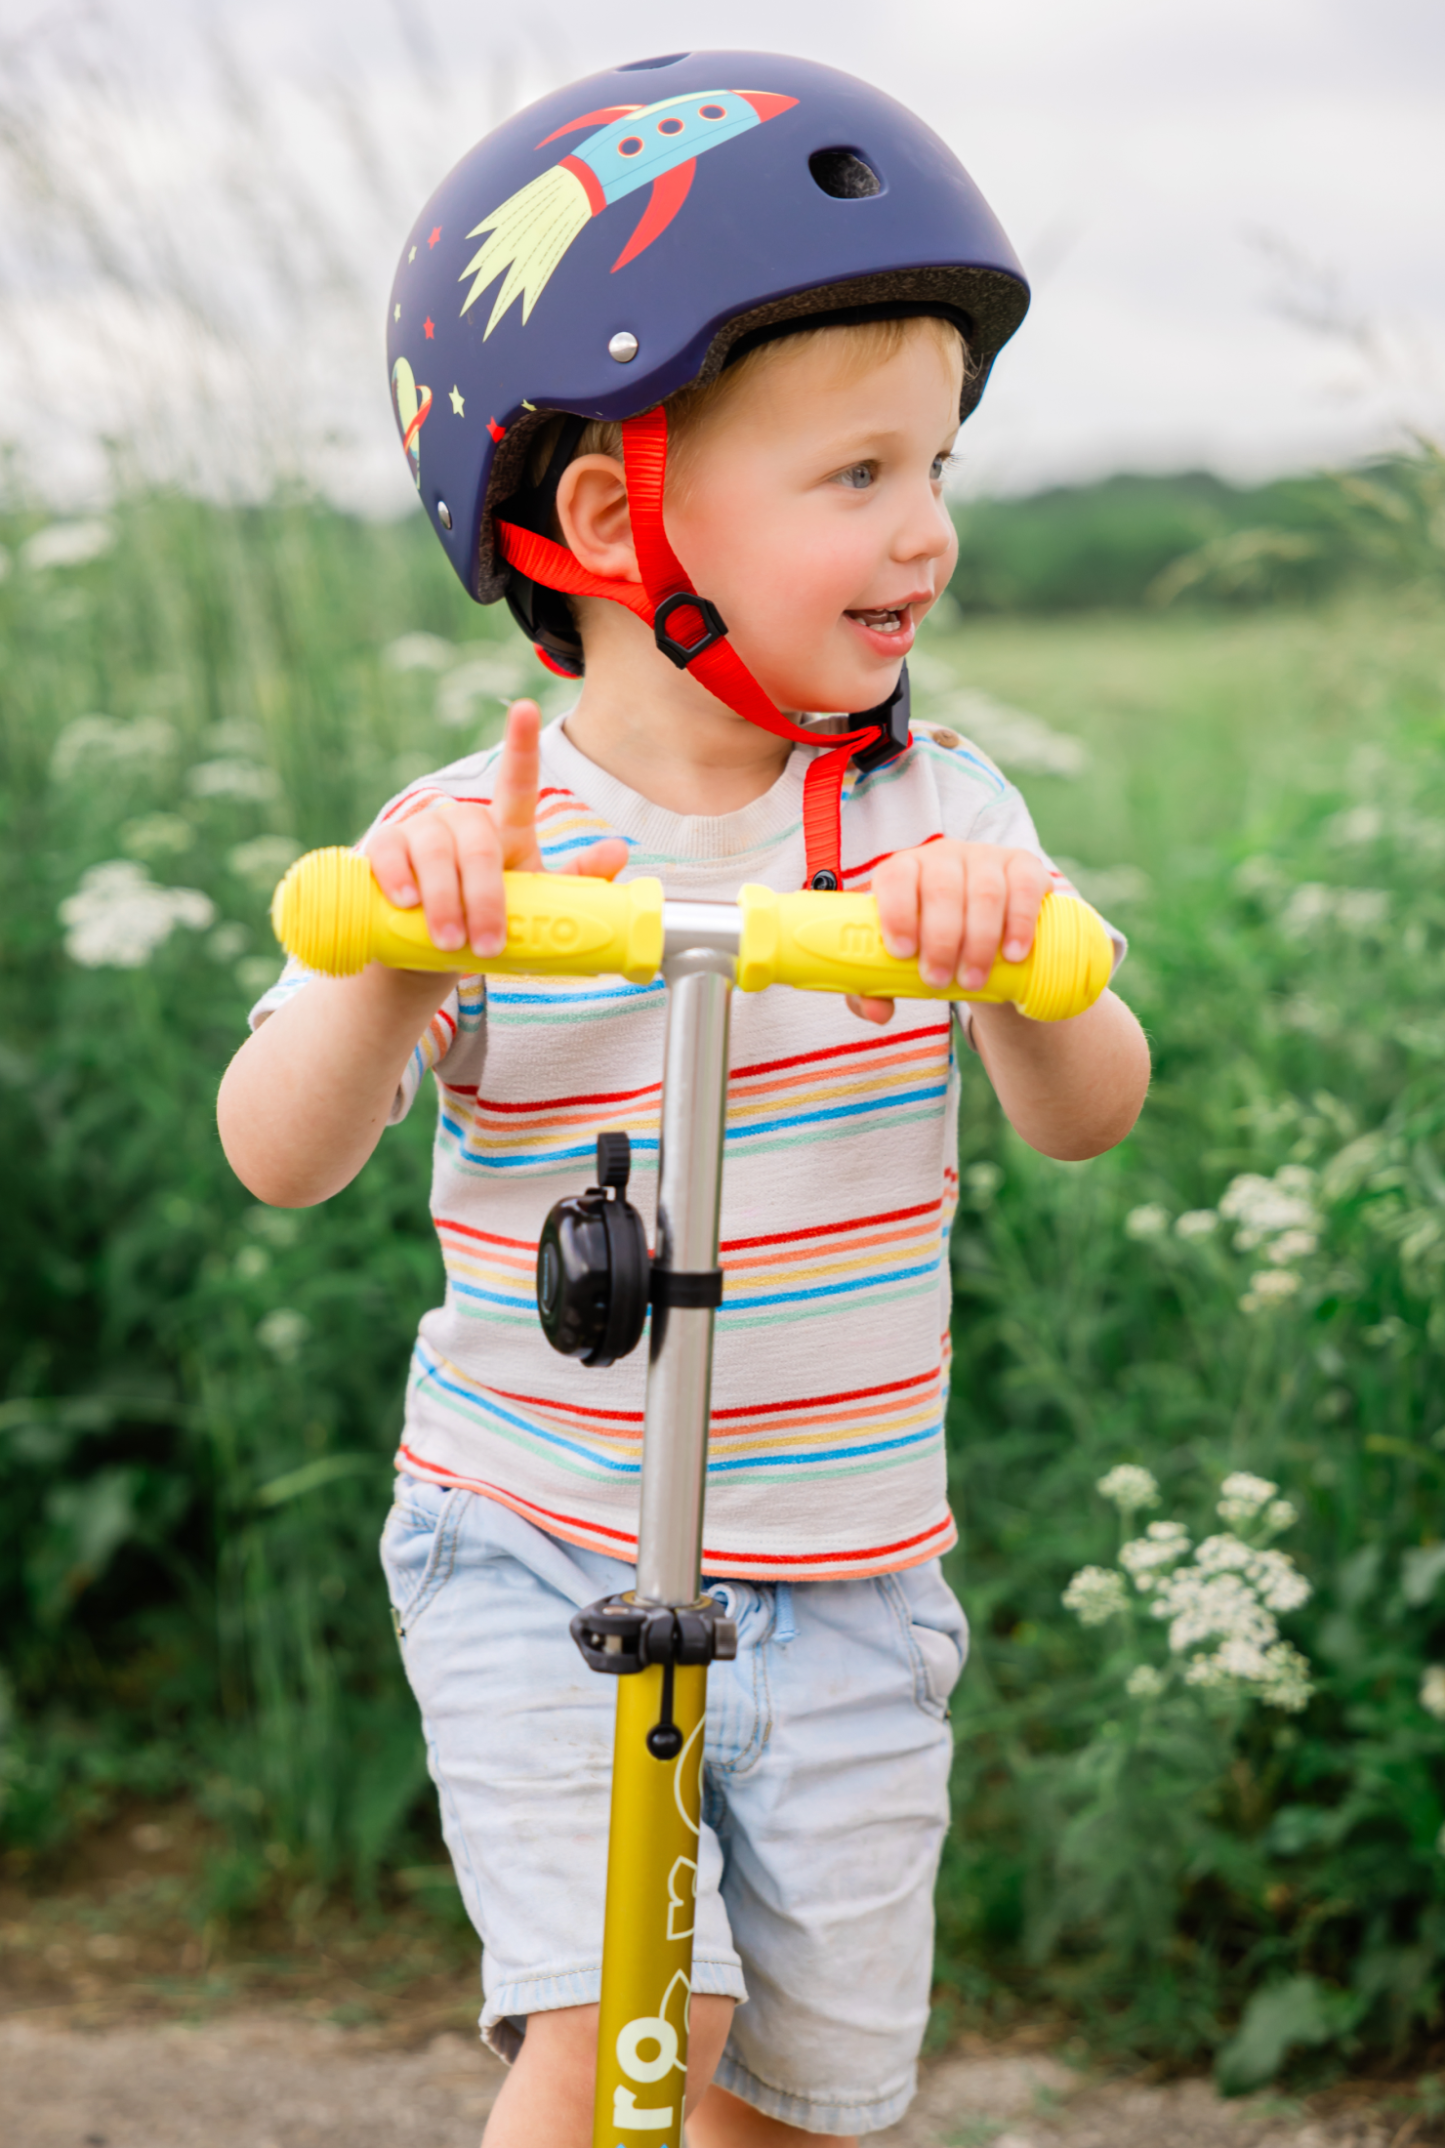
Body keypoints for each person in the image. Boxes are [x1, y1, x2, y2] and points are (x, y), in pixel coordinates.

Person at [218, 51, 1150, 2148]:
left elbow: (1089, 1108)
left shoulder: (938, 818)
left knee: (788, 2108)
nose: (924, 529)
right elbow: (275, 1152)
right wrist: (391, 958)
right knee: (628, 2023)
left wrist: (1016, 961)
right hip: (534, 1535)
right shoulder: (475, 835)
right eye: (855, 473)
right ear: (610, 519)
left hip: (851, 1570)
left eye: (935, 465)